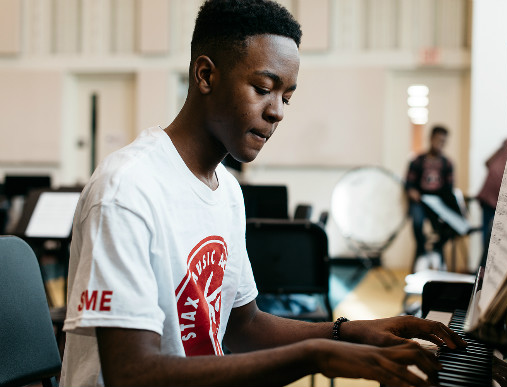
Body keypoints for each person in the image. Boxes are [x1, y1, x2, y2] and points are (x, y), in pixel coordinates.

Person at [60, 1, 466, 386]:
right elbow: (132, 375)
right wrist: (316, 356)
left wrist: (352, 331)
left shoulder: (228, 190)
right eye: (263, 88)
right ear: (205, 75)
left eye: (286, 96)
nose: (278, 112)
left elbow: (245, 325)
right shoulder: (127, 189)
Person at [405, 126, 456, 272]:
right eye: (438, 140)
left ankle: (436, 249)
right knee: (417, 221)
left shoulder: (447, 163)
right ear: (431, 139)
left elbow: (449, 188)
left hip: (438, 204)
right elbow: (408, 183)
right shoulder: (417, 161)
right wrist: (412, 192)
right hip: (420, 202)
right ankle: (422, 252)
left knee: (451, 226)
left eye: (444, 141)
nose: (441, 144)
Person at [476, 138, 507, 267]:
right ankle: (481, 270)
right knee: (485, 239)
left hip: (501, 202)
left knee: (493, 241)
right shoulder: (506, 142)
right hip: (488, 198)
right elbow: (487, 162)